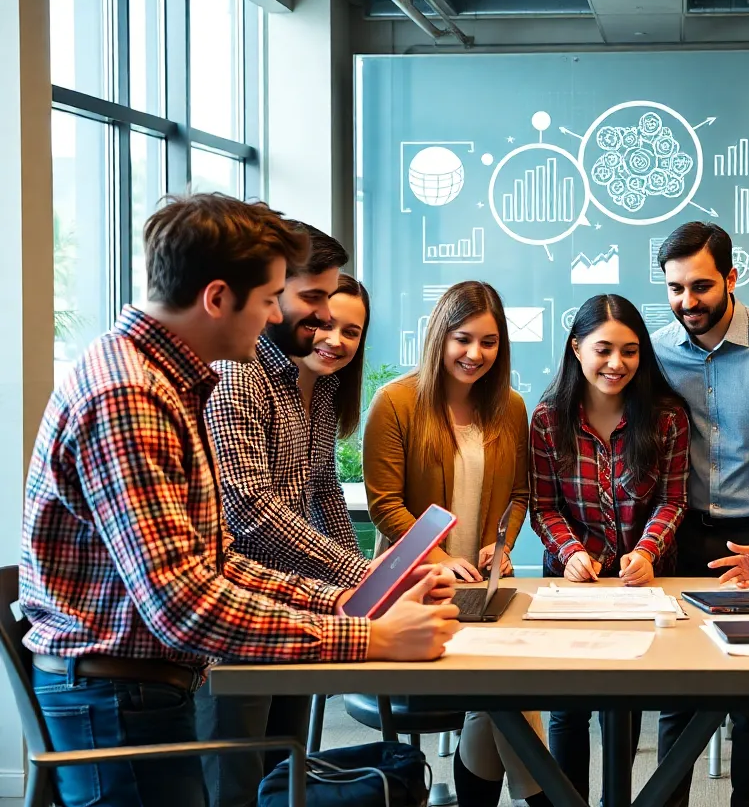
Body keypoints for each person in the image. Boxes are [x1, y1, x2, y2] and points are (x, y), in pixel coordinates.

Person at [20, 194, 460, 807]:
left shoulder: (164, 384)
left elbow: (219, 564)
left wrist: (352, 604)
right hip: (120, 701)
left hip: (138, 690)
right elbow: (187, 607)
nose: (280, 318)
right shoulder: (130, 396)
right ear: (218, 298)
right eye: (269, 301)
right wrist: (370, 637)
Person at [198, 230, 372, 807]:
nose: (327, 326)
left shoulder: (318, 391)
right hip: (240, 612)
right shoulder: (238, 377)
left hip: (292, 596)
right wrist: (359, 576)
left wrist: (361, 575)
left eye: (349, 326)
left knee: (285, 764)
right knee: (235, 776)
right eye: (315, 304)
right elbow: (250, 509)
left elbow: (322, 488)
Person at [362, 281, 546, 807]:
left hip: (485, 591)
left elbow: (517, 494)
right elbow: (385, 506)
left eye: (489, 342)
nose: (475, 354)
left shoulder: (509, 406)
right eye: (463, 339)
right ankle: (549, 799)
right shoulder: (395, 402)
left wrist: (502, 546)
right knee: (506, 690)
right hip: (417, 588)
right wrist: (444, 559)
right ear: (439, 335)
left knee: (500, 692)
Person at [649, 222, 749, 807]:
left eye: (702, 286)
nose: (688, 302)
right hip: (675, 533)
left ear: (732, 278)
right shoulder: (653, 352)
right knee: (675, 697)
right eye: (676, 288)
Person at [530, 294, 689, 801]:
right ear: (576, 348)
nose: (616, 364)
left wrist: (645, 551)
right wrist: (571, 551)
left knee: (626, 702)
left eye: (630, 351)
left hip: (643, 586)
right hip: (569, 586)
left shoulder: (666, 418)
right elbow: (543, 505)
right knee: (568, 708)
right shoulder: (548, 419)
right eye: (603, 349)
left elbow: (674, 499)